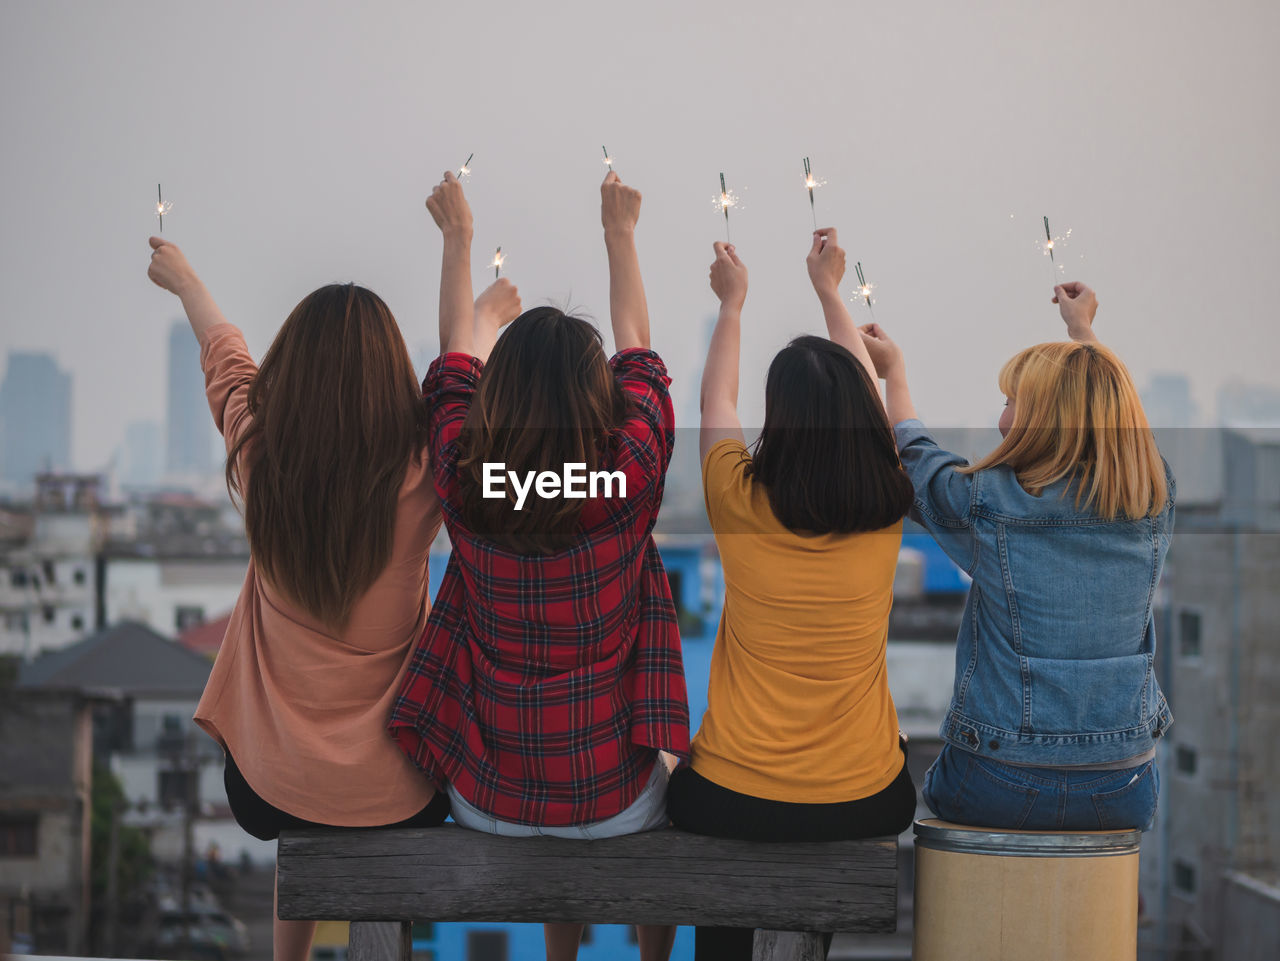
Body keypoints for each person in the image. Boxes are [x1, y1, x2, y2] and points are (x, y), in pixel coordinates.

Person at [147, 238, 520, 961]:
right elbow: (457, 389)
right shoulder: (421, 479)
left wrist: (187, 278)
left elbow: (225, 361)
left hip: (269, 786)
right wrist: (477, 307)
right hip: (400, 796)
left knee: (303, 799)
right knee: (351, 806)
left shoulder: (260, 460)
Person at [389, 170, 689, 961]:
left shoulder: (461, 475)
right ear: (596, 406)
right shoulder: (627, 483)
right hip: (613, 799)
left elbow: (455, 360)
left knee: (566, 768)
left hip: (490, 797)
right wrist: (620, 235)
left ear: (499, 400)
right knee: (652, 776)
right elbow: (643, 360)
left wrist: (457, 240)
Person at [667, 230, 919, 960]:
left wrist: (732, 304)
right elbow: (870, 406)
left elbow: (716, 397)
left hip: (731, 792)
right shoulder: (888, 507)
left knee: (708, 854)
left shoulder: (737, 502)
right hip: (864, 794)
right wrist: (830, 291)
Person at [858, 281, 1174, 832]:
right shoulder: (1152, 498)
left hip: (1001, 780)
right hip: (1122, 785)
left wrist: (895, 374)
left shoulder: (989, 503)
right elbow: (1122, 430)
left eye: (1012, 402)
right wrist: (1083, 332)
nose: (1001, 416)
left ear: (1042, 418)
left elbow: (916, 456)